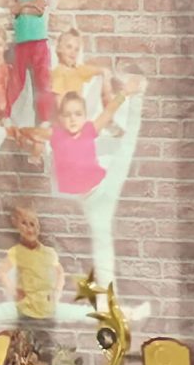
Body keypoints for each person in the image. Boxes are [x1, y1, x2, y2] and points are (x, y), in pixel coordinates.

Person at [45, 73, 149, 316]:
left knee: (127, 148)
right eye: (67, 114)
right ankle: (109, 305)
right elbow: (36, 131)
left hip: (104, 184)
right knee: (103, 245)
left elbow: (109, 111)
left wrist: (125, 93)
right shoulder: (56, 135)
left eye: (78, 114)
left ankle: (138, 97)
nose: (73, 119)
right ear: (60, 118)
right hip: (91, 200)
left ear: (84, 116)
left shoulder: (89, 129)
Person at [5, 0, 55, 127]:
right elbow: (14, 9)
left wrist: (22, 6)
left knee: (43, 82)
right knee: (15, 81)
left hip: (39, 43)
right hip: (21, 44)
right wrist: (28, 5)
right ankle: (5, 115)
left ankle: (45, 120)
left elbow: (39, 9)